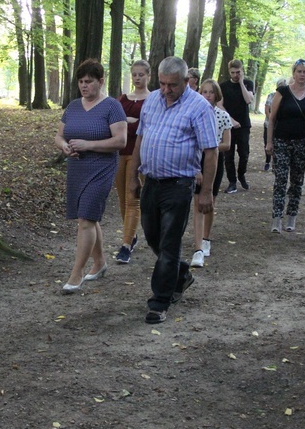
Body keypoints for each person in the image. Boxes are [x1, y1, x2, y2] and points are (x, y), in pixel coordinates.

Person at [128, 56, 218, 324]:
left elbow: (211, 151)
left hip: (179, 184)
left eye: (173, 85)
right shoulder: (152, 101)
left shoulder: (199, 107)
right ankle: (181, 272)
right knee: (153, 237)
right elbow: (140, 139)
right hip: (151, 182)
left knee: (169, 242)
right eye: (163, 83)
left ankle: (159, 301)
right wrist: (133, 176)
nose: (166, 90)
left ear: (186, 81)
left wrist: (206, 191)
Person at [55, 59, 127, 293]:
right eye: (81, 82)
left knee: (86, 219)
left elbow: (120, 141)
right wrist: (64, 146)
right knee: (88, 218)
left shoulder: (112, 106)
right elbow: (59, 135)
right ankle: (100, 263)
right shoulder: (74, 106)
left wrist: (89, 144)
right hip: (77, 168)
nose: (84, 86)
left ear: (101, 81)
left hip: (101, 168)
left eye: (89, 81)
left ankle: (76, 275)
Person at [266, 60, 305, 234]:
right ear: (293, 73)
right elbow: (272, 118)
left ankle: (292, 216)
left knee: (297, 181)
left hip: (302, 142)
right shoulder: (282, 92)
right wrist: (270, 142)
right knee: (280, 180)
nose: (302, 75)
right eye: (299, 71)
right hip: (282, 141)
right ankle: (276, 217)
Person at [190, 79, 232, 268]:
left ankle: (206, 237)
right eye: (204, 92)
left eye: (210, 92)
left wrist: (211, 146)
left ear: (217, 95)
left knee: (210, 201)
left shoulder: (222, 116)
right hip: (196, 160)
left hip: (214, 160)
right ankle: (198, 247)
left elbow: (227, 144)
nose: (207, 95)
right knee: (197, 202)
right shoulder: (194, 114)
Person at [114, 60, 151, 264]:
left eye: (141, 75)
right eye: (134, 74)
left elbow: (148, 125)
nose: (137, 78)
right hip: (119, 153)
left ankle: (126, 245)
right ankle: (131, 235)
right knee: (122, 199)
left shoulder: (153, 99)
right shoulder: (123, 99)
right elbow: (115, 122)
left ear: (148, 76)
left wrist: (130, 122)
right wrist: (130, 123)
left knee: (133, 197)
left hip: (139, 154)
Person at [220, 59, 255, 193]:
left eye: (238, 72)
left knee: (244, 153)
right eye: (233, 72)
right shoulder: (223, 86)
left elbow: (248, 100)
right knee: (228, 155)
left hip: (244, 124)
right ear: (229, 72)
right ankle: (232, 181)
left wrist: (241, 83)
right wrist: (231, 120)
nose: (235, 75)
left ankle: (241, 174)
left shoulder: (248, 83)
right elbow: (220, 105)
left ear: (242, 71)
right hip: (228, 124)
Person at [263, 78, 287, 172]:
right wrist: (272, 118)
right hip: (269, 124)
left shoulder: (288, 98)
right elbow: (267, 110)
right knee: (267, 142)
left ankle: (275, 162)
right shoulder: (271, 96)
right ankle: (267, 161)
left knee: (278, 144)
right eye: (280, 86)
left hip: (281, 126)